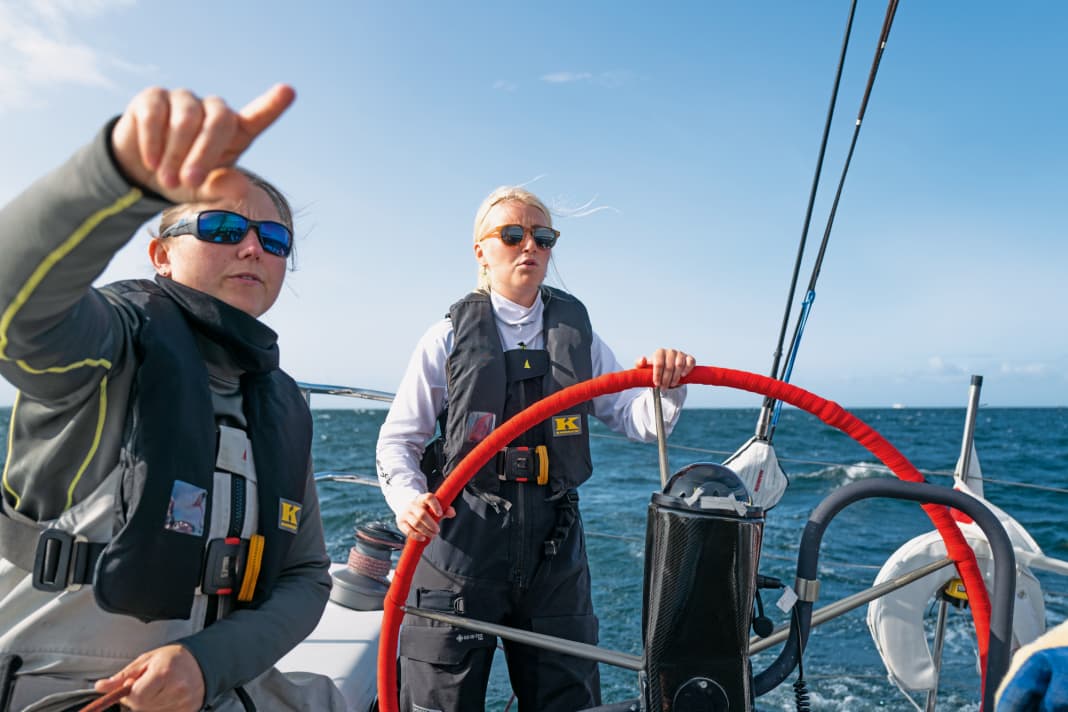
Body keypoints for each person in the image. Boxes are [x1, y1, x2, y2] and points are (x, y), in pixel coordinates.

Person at [0, 85, 346, 711]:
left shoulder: (282, 404)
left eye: (274, 239)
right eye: (221, 226)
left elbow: (305, 575)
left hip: (214, 682)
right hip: (60, 686)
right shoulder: (107, 348)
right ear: (160, 253)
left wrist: (206, 664)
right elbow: (11, 311)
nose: (252, 248)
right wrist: (115, 176)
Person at [375, 185, 696, 712]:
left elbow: (638, 421)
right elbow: (399, 441)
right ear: (481, 250)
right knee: (439, 700)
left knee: (566, 699)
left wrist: (669, 385)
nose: (530, 246)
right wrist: (410, 500)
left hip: (554, 543)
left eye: (543, 237)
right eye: (513, 234)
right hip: (461, 540)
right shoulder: (446, 338)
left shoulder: (580, 338)